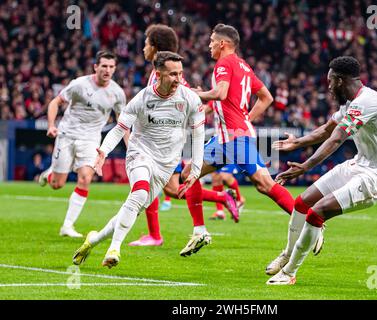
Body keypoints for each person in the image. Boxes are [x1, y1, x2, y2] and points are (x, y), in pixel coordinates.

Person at [265, 56, 377, 285]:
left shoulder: (367, 102)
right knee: (302, 203)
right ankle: (287, 254)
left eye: (330, 82)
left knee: (316, 212)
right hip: (360, 165)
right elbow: (328, 129)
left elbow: (337, 138)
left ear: (340, 80)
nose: (328, 87)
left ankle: (289, 273)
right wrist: (297, 142)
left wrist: (306, 166)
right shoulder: (350, 102)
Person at [72, 51, 205, 268]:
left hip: (166, 164)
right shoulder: (142, 99)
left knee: (133, 208)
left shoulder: (190, 99)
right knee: (140, 192)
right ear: (158, 74)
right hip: (140, 154)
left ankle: (94, 239)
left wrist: (196, 169)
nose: (178, 79)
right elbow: (120, 128)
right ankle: (114, 249)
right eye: (172, 74)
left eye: (180, 74)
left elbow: (198, 134)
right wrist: (103, 151)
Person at [178, 23, 295, 257]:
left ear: (223, 43)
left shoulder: (224, 64)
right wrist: (247, 118)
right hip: (224, 138)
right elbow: (266, 97)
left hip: (235, 138)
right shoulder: (244, 66)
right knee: (188, 173)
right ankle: (199, 231)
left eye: (212, 41)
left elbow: (220, 93)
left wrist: (189, 93)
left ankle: (310, 220)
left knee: (264, 184)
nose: (209, 45)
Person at [128, 24, 237, 247]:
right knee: (170, 188)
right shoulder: (159, 73)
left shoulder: (167, 76)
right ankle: (220, 198)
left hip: (170, 140)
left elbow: (189, 103)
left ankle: (155, 235)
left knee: (160, 183)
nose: (143, 49)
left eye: (146, 43)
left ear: (155, 46)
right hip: (166, 138)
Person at [38, 51, 127, 238]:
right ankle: (50, 174)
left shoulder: (117, 93)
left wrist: (130, 146)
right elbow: (56, 102)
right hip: (67, 135)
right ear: (95, 67)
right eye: (104, 66)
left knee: (86, 178)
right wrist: (51, 125)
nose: (107, 70)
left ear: (115, 69)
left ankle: (67, 226)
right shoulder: (79, 84)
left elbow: (123, 124)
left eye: (111, 67)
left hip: (91, 139)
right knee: (57, 185)